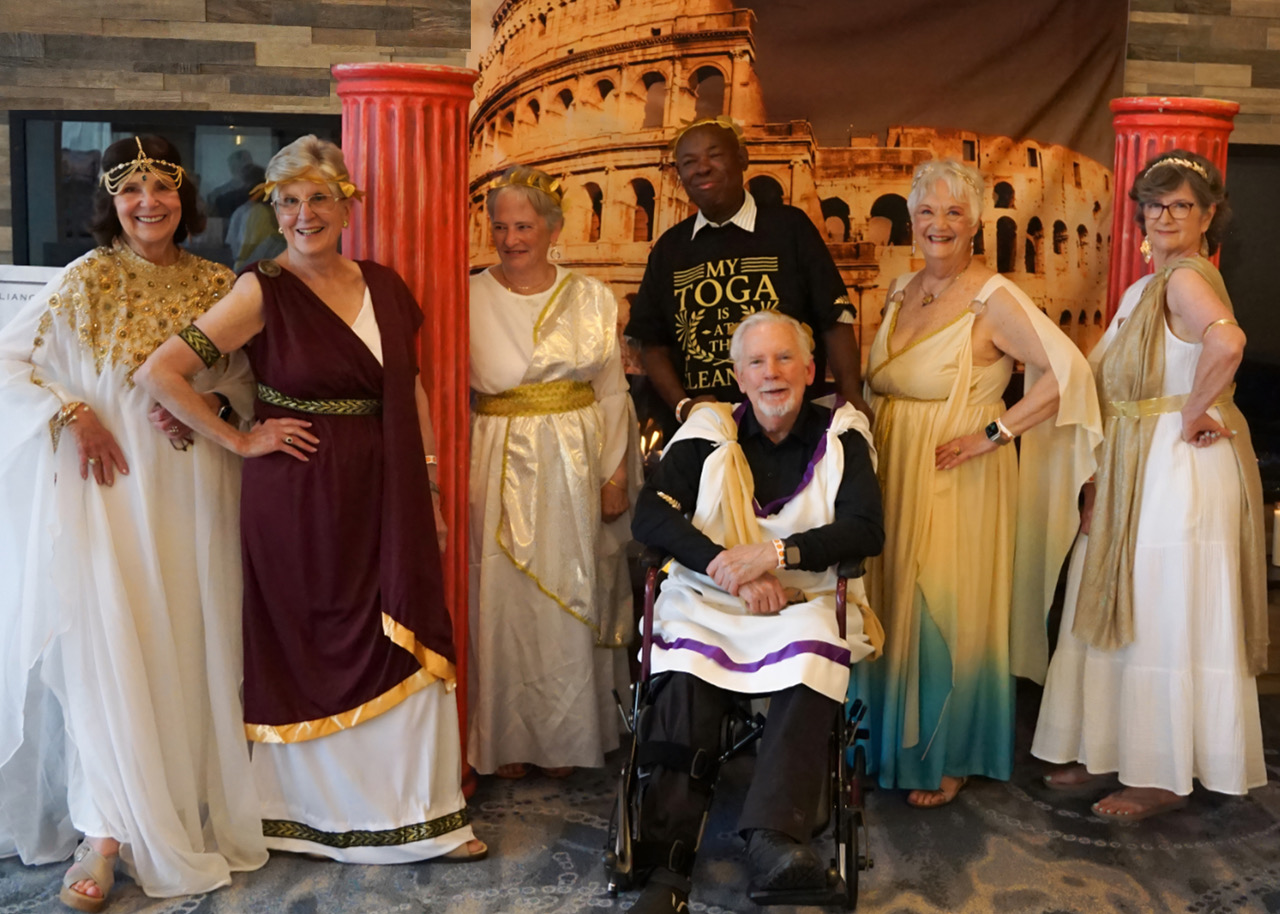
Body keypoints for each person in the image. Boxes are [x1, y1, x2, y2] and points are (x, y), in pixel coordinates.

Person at [136, 135, 485, 862]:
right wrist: (240, 439)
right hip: (297, 496)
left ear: (347, 204)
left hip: (386, 489)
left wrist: (429, 486)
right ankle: (304, 818)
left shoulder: (385, 286)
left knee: (401, 633)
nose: (304, 215)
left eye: (319, 198)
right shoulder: (261, 290)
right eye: (288, 201)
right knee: (309, 641)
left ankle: (424, 819)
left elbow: (412, 390)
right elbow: (161, 372)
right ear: (274, 210)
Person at [0, 135, 266, 909]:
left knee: (188, 640)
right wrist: (73, 412)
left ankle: (184, 804)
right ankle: (106, 832)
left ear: (185, 197)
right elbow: (10, 363)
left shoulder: (218, 283)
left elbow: (248, 380)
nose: (148, 202)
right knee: (111, 648)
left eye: (162, 187)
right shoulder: (84, 279)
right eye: (131, 190)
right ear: (110, 202)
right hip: (109, 493)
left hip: (197, 492)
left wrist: (209, 404)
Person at [851, 159, 1101, 808]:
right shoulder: (901, 288)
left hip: (957, 473)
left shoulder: (995, 297)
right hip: (892, 469)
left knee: (945, 604)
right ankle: (882, 745)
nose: (939, 224)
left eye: (954, 212)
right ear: (911, 220)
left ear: (976, 224)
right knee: (888, 599)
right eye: (927, 211)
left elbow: (1066, 375)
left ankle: (949, 752)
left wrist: (994, 434)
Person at [1032, 151, 1267, 821]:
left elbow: (1228, 343)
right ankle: (1112, 748)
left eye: (1181, 204)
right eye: (1154, 204)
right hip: (1139, 464)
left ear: (1208, 215)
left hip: (1176, 470)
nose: (1165, 216)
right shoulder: (1147, 288)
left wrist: (1192, 413)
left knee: (1160, 613)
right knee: (1122, 604)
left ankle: (1162, 772)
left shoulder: (1186, 277)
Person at [628, 311, 884, 913]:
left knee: (814, 653)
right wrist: (728, 568)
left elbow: (864, 528)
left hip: (805, 595)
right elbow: (651, 515)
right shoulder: (707, 430)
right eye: (757, 362)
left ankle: (775, 839)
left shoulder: (843, 434)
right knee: (685, 663)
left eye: (785, 358)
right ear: (739, 376)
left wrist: (776, 555)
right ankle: (667, 863)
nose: (772, 373)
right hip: (711, 593)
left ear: (810, 370)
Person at [468, 165, 641, 779]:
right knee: (502, 603)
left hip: (575, 463)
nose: (511, 239)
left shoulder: (591, 296)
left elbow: (613, 392)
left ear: (552, 229)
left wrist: (614, 477)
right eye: (500, 227)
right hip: (495, 457)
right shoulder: (467, 296)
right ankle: (506, 740)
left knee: (570, 598)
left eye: (524, 226)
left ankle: (566, 740)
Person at [625, 116, 872, 423]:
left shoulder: (790, 228)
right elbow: (652, 343)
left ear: (742, 158)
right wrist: (684, 407)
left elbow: (834, 317)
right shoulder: (669, 249)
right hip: (705, 429)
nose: (702, 168)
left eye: (714, 155)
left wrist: (850, 396)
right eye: (689, 162)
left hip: (791, 426)